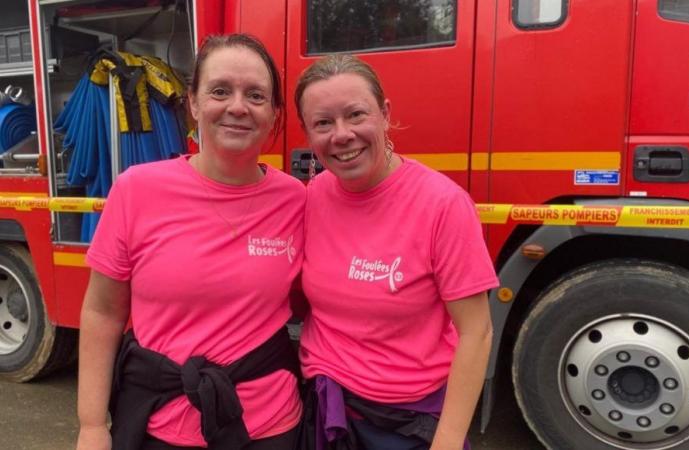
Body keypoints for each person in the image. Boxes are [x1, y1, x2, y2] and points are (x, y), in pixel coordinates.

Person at [76, 34, 305, 450]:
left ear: (273, 113)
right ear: (194, 103)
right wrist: (92, 426)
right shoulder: (136, 191)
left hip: (271, 426)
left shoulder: (297, 200)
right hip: (161, 423)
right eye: (220, 91)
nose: (238, 106)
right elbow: (102, 311)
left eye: (256, 95)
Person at [294, 54, 499, 450]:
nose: (341, 135)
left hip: (407, 422)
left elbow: (478, 332)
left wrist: (448, 442)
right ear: (308, 133)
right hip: (327, 410)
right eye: (323, 123)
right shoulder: (312, 197)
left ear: (385, 114)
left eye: (356, 115)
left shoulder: (442, 204)